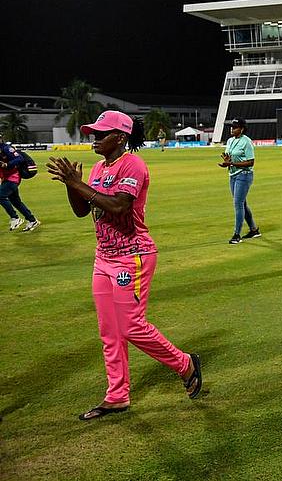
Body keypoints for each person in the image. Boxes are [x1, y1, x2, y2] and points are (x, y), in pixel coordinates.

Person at [46, 111, 202, 420]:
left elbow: (119, 206)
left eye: (100, 134)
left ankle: (185, 364)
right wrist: (71, 184)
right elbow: (82, 210)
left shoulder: (133, 164)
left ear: (120, 137)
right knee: (110, 331)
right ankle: (117, 395)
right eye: (93, 133)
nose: (94, 138)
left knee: (131, 326)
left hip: (132, 257)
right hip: (103, 257)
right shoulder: (98, 168)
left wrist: (80, 184)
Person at [219, 118, 260, 244]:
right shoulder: (230, 141)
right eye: (232, 126)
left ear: (242, 129)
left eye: (236, 127)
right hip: (233, 174)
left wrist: (232, 163)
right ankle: (254, 230)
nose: (233, 129)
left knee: (238, 204)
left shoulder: (246, 142)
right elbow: (229, 155)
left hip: (244, 175)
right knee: (242, 204)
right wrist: (227, 160)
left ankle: (237, 235)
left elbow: (251, 162)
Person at [0, 138, 40, 232]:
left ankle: (15, 218)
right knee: (16, 202)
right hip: (7, 179)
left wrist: (7, 164)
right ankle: (32, 220)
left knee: (1, 196)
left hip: (13, 177)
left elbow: (19, 158)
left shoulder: (6, 148)